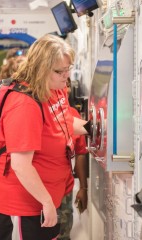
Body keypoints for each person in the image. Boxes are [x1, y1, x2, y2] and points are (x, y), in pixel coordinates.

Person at [0, 34, 88, 240]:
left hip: (46, 195)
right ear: (41, 68)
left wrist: (96, 129)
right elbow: (21, 165)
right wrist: (47, 202)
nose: (66, 75)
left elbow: (65, 122)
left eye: (68, 69)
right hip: (24, 201)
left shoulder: (55, 89)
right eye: (60, 71)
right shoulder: (24, 104)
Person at [57, 78, 88, 240]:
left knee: (64, 234)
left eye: (68, 85)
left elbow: (81, 152)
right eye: (63, 84)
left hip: (65, 188)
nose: (67, 89)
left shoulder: (73, 114)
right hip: (41, 191)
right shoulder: (37, 111)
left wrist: (83, 188)